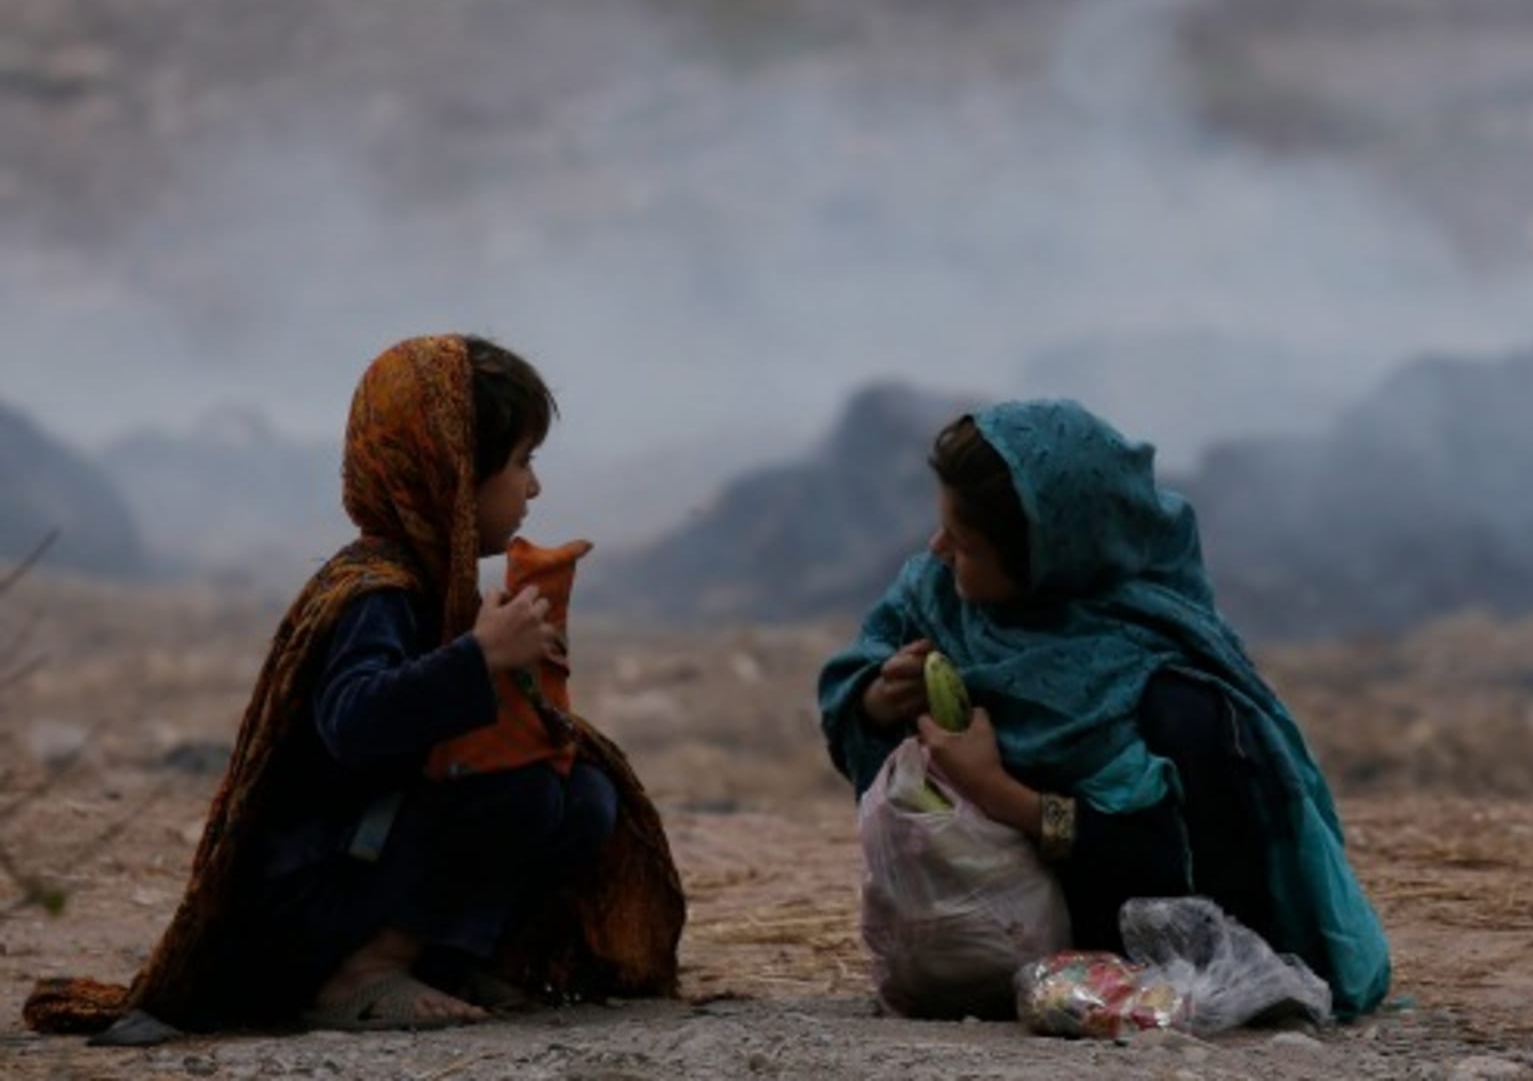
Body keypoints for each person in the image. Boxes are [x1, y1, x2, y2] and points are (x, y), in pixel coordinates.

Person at [24, 334, 684, 1041]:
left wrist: (519, 685)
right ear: (455, 471)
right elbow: (354, 721)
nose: (534, 486)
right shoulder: (376, 590)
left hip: (370, 861)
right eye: (522, 461)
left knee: (583, 793)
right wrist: (478, 658)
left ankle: (455, 960)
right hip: (311, 893)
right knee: (519, 796)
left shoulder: (434, 587)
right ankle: (362, 974)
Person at [818, 399, 1391, 1018]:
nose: (936, 550)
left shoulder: (1170, 688)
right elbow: (855, 688)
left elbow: (1185, 861)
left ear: (1047, 557)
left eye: (965, 543)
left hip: (1121, 967)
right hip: (969, 950)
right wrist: (879, 699)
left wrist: (997, 792)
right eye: (942, 529)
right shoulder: (936, 600)